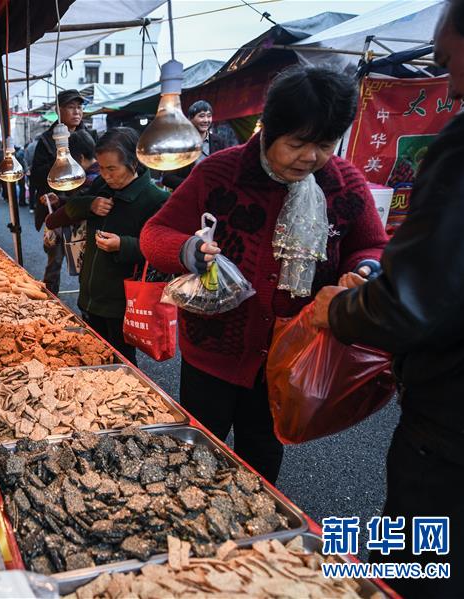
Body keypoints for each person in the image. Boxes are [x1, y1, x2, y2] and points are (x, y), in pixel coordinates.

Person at [139, 66, 388, 484]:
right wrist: (187, 250)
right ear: (269, 129)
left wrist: (364, 268)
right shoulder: (220, 172)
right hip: (212, 353)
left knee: (261, 459)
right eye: (297, 144)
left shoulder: (345, 184)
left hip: (289, 357)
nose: (310, 157)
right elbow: (154, 233)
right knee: (195, 458)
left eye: (324, 145)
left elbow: (372, 245)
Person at [311, 2, 464, 594]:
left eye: (446, 59)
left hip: (456, 431)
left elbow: (410, 300)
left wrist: (340, 307)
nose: (446, 82)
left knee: (418, 570)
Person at [59, 127, 168, 365]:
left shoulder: (154, 199)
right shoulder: (101, 186)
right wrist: (90, 204)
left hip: (122, 302)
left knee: (121, 361)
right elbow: (70, 209)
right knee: (90, 355)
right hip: (90, 292)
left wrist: (123, 245)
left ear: (133, 163)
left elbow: (161, 251)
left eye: (112, 169)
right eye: (101, 168)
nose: (106, 175)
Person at [30, 89, 96, 293]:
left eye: (79, 107)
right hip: (56, 209)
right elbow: (37, 176)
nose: (77, 112)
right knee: (55, 258)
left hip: (83, 208)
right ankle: (51, 296)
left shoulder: (89, 136)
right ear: (59, 111)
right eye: (71, 107)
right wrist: (61, 166)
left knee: (86, 259)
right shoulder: (46, 140)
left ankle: (87, 298)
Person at [161, 100, 238, 190]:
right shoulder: (179, 144)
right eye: (201, 116)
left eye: (209, 116)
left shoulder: (220, 142)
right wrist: (194, 186)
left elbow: (227, 171)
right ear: (190, 119)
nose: (206, 120)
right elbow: (167, 178)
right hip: (188, 195)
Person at [24, 137, 38, 212]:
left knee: (31, 189)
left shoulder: (29, 146)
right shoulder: (40, 145)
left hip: (30, 171)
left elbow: (25, 160)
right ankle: (38, 205)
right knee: (40, 189)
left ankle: (31, 206)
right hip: (39, 170)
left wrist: (27, 169)